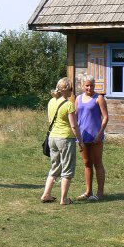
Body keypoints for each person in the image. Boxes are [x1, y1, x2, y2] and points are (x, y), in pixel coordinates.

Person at [40, 77, 84, 205]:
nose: (72, 91)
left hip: (52, 138)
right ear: (66, 90)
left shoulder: (51, 101)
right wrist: (80, 141)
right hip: (65, 139)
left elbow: (50, 120)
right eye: (71, 89)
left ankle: (46, 194)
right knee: (67, 170)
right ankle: (64, 199)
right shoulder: (68, 105)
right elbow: (74, 126)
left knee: (55, 167)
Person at [75, 75, 108, 201]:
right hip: (83, 137)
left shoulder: (99, 98)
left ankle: (100, 193)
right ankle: (88, 191)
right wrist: (77, 136)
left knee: (98, 163)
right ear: (83, 86)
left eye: (91, 85)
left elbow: (105, 117)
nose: (89, 88)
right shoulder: (78, 98)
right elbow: (76, 117)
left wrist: (100, 134)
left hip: (96, 137)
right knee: (87, 164)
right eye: (87, 85)